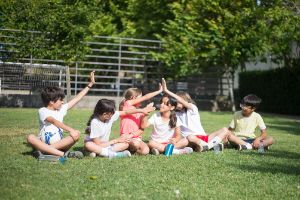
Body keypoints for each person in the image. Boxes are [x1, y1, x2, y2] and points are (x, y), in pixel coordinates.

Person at [27, 71, 96, 159]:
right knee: (30, 137)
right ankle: (62, 154)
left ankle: (45, 151)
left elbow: (77, 98)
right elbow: (54, 121)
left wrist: (90, 84)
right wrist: (71, 129)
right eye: (60, 100)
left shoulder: (61, 109)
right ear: (51, 101)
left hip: (59, 145)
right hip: (44, 143)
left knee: (77, 134)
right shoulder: (42, 111)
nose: (63, 102)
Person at [161, 78, 229, 152]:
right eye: (176, 102)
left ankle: (207, 146)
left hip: (204, 138)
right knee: (190, 137)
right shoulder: (175, 114)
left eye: (180, 102)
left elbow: (181, 100)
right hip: (190, 140)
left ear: (185, 101)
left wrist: (167, 90)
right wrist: (165, 93)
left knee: (225, 130)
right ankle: (211, 146)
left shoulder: (192, 109)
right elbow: (166, 104)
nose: (178, 103)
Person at [84, 99, 155, 158]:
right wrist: (117, 140)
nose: (112, 115)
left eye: (112, 113)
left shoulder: (110, 116)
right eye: (109, 113)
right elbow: (98, 144)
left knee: (126, 144)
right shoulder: (95, 122)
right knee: (88, 145)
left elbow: (126, 112)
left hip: (106, 145)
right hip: (96, 145)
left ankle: (99, 153)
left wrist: (142, 110)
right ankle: (114, 155)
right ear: (102, 113)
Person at [119, 85, 163, 155]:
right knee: (135, 144)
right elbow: (146, 97)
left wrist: (146, 113)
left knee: (145, 151)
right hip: (125, 136)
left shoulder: (141, 112)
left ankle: (130, 150)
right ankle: (125, 148)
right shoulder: (127, 104)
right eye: (140, 97)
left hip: (136, 138)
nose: (142, 99)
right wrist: (159, 91)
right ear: (132, 98)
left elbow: (142, 128)